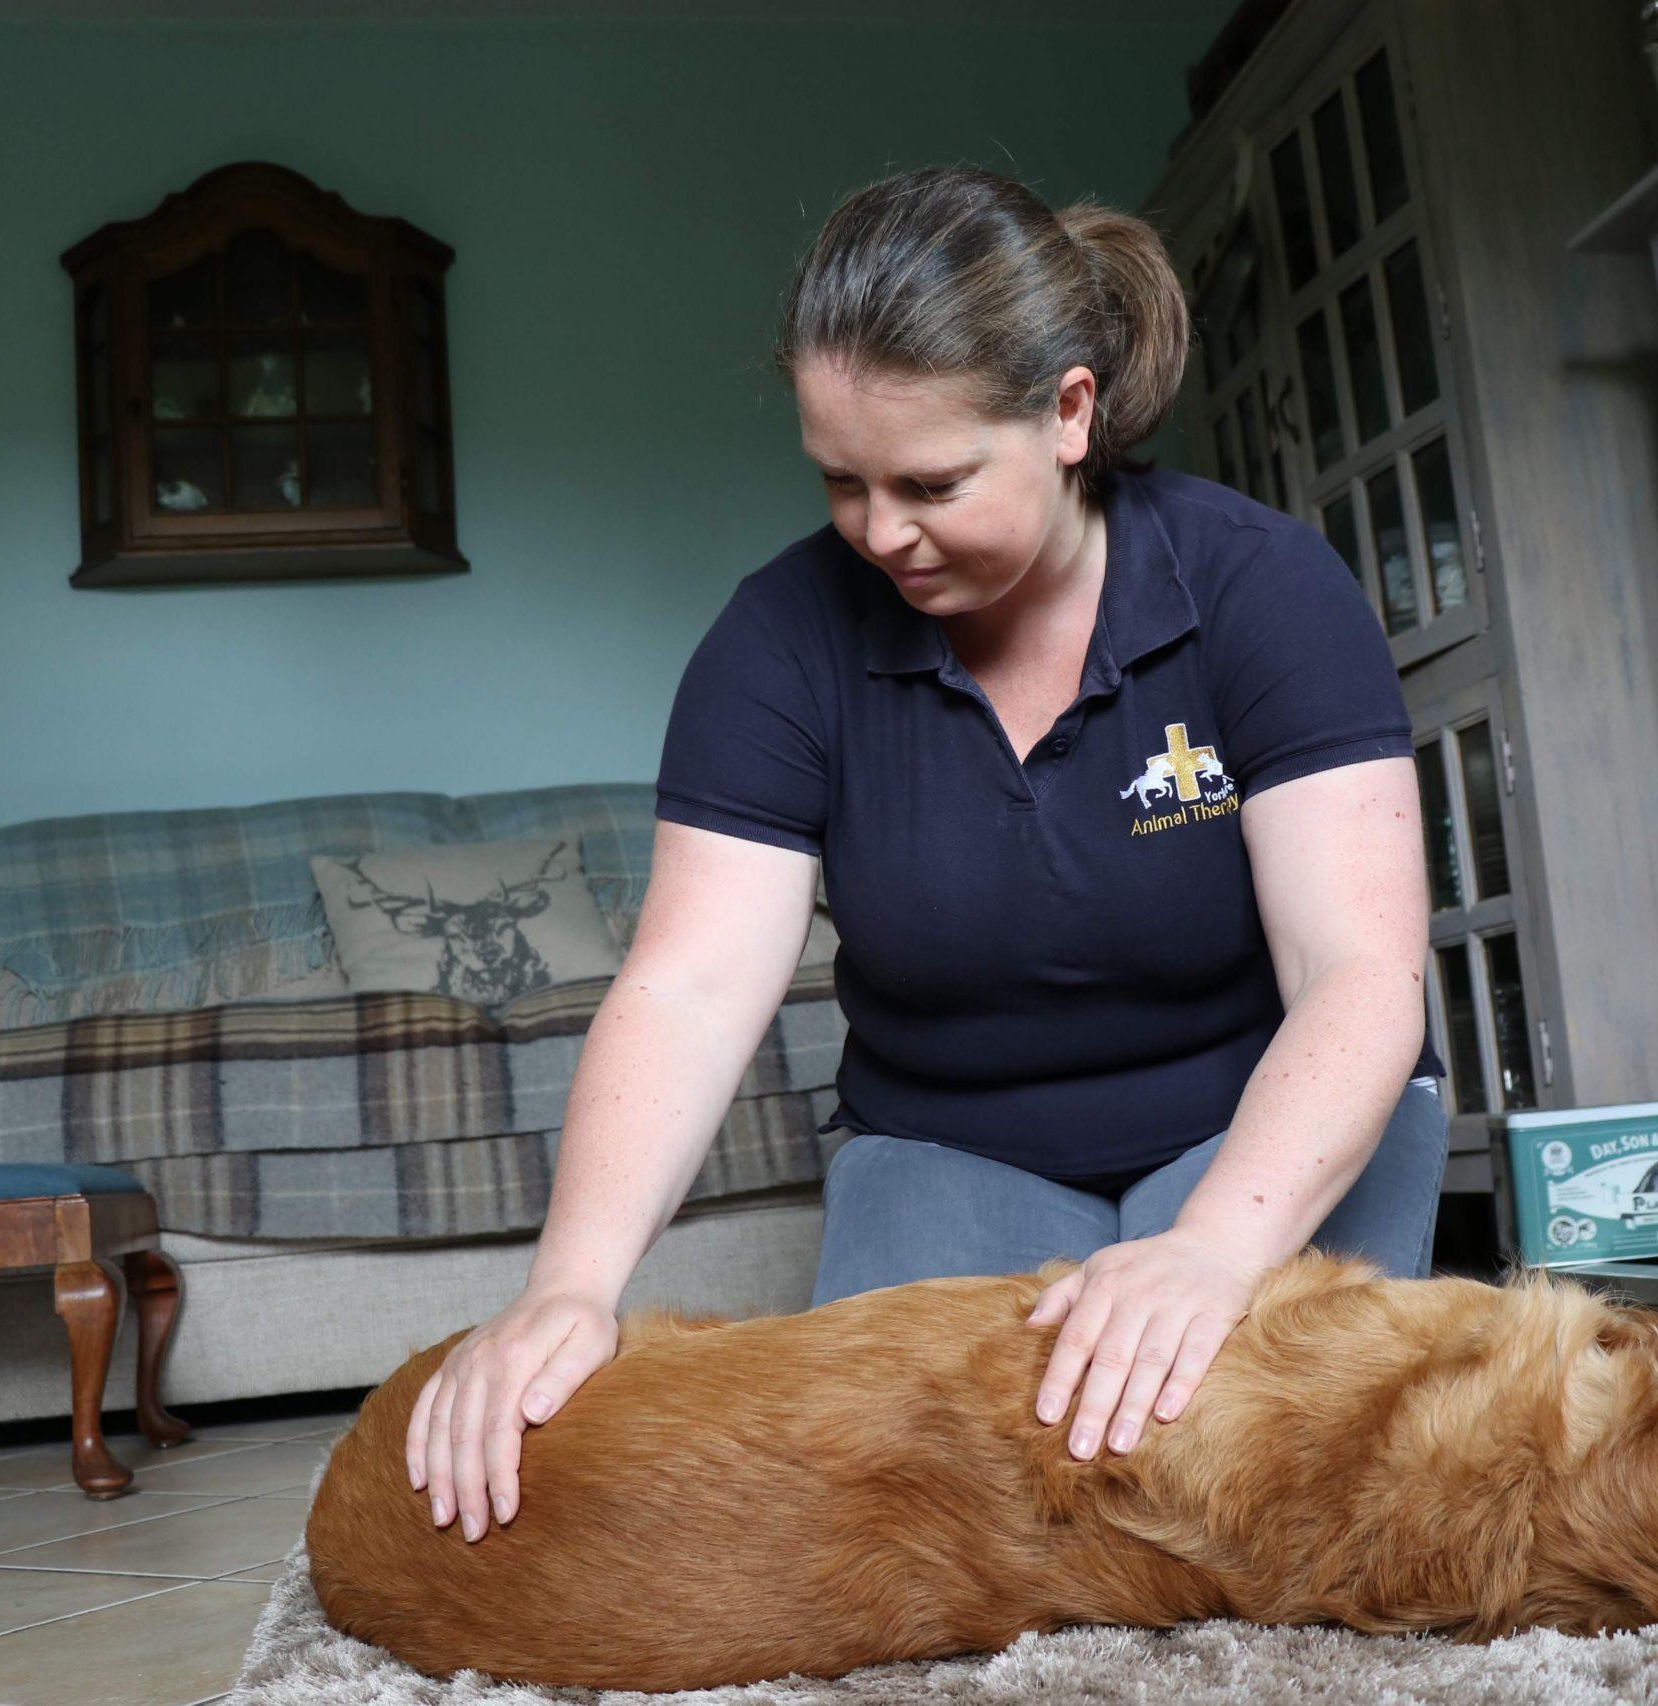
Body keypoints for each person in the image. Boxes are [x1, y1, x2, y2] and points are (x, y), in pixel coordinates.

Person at [409, 166, 1449, 1546]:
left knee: (1256, 1484)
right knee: (931, 1516)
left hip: (1253, 1124)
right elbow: (688, 990)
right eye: (841, 482)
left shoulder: (1263, 589)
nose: (882, 533)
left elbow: (1360, 971)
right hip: (952, 1144)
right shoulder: (780, 641)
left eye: (931, 483)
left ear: (1069, 414)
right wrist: (570, 1286)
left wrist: (1211, 1250)